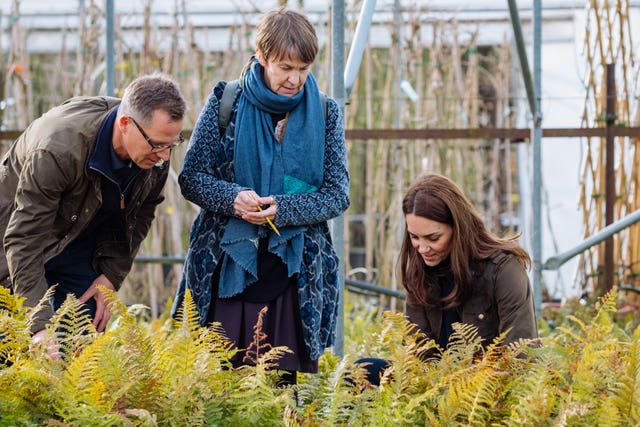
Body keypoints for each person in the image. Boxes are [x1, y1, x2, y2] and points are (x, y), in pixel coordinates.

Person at [172, 8, 350, 384]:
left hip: (295, 273)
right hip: (227, 267)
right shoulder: (226, 102)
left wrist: (283, 208)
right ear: (262, 56)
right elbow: (191, 179)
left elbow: (337, 195)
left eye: (303, 68)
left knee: (283, 388)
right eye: (285, 67)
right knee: (222, 383)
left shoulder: (325, 112)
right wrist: (233, 199)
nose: (295, 79)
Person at [0, 73, 186, 356]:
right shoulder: (57, 149)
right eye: (157, 144)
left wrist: (111, 275)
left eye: (172, 145)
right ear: (125, 124)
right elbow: (23, 239)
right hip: (15, 242)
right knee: (14, 351)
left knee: (79, 352)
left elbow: (143, 213)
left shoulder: (155, 152)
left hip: (81, 244)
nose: (163, 156)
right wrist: (37, 326)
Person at [357, 173, 538, 385]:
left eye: (433, 238)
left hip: (484, 387)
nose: (422, 248)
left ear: (458, 228)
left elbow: (522, 354)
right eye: (414, 237)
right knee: (361, 371)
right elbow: (416, 356)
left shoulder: (503, 270)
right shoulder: (419, 271)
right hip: (435, 386)